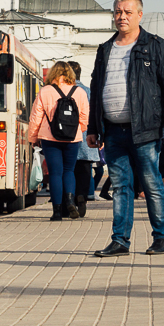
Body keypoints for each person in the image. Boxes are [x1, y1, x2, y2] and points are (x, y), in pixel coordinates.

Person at [87, 0, 164, 257]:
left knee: (151, 183)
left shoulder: (154, 45)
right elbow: (96, 89)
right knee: (120, 186)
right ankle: (120, 241)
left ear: (140, 15)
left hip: (146, 130)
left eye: (128, 12)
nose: (122, 17)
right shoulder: (105, 49)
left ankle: (162, 237)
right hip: (113, 131)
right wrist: (94, 127)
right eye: (117, 12)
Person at [27, 61, 90, 220]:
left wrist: (33, 138)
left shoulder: (45, 91)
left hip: (49, 137)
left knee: (55, 173)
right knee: (69, 171)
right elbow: (84, 117)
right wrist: (76, 130)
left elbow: (36, 117)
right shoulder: (79, 92)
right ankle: (70, 200)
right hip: (72, 139)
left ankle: (56, 212)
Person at [67, 61, 100, 216]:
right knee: (85, 168)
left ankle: (71, 199)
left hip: (67, 135)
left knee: (69, 169)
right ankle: (82, 196)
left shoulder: (63, 90)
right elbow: (96, 113)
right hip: (86, 134)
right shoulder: (88, 91)